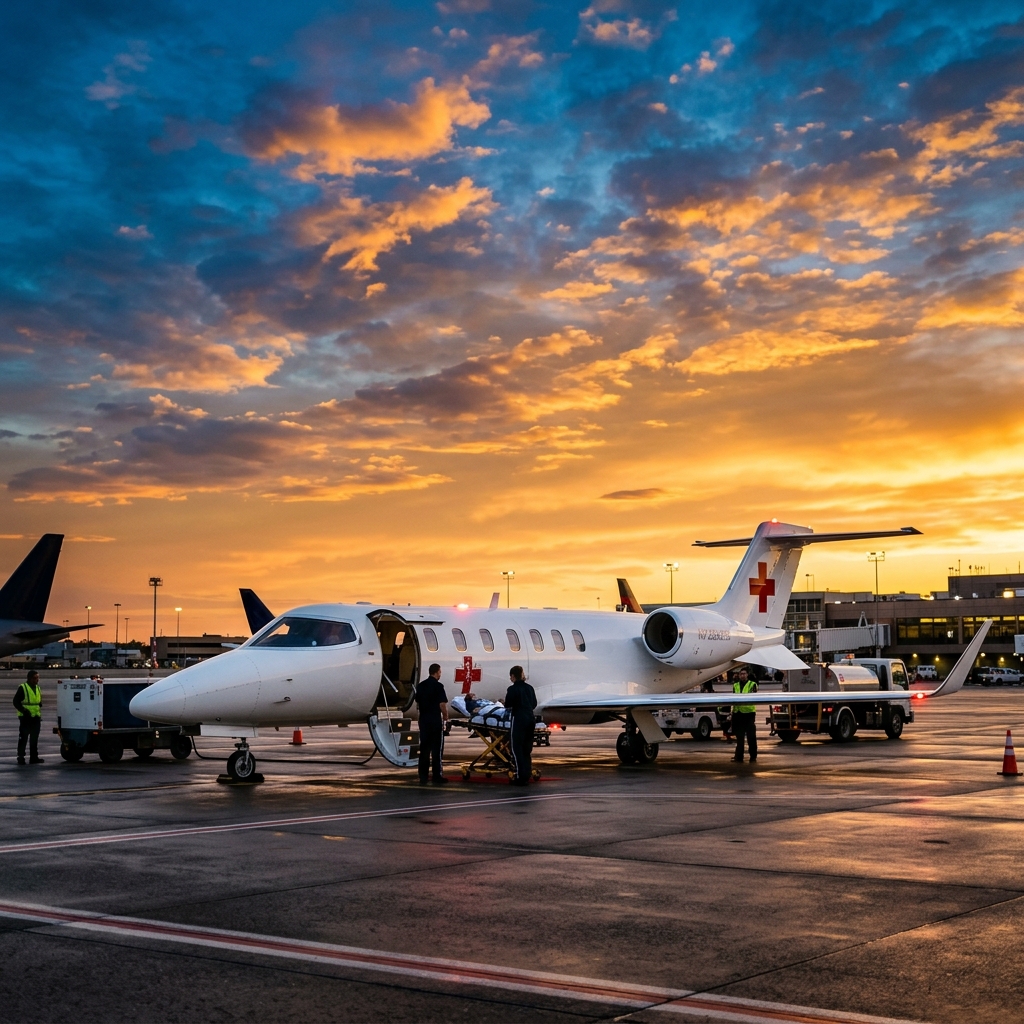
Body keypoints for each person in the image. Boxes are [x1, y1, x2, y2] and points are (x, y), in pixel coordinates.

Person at [414, 663, 448, 784]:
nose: (440, 674)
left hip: (424, 721)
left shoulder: (421, 686)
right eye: (440, 672)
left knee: (424, 750)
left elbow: (417, 701)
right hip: (435, 721)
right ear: (436, 672)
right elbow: (442, 704)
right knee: (436, 750)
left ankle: (423, 776)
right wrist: (446, 717)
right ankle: (436, 776)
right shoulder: (439, 686)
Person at [504, 665, 537, 786]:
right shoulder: (529, 688)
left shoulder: (512, 689)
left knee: (516, 748)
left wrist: (503, 703)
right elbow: (534, 704)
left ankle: (520, 776)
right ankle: (527, 774)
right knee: (527, 749)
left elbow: (508, 704)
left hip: (518, 719)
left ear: (513, 676)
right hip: (530, 719)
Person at [14, 669, 43, 765]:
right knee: (23, 737)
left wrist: (39, 704)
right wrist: (24, 711)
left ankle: (34, 757)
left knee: (34, 738)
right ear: (30, 679)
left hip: (36, 717)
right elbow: (16, 702)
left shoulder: (38, 688)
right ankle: (21, 757)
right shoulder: (23, 687)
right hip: (26, 717)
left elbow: (36, 701)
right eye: (35, 678)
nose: (37, 680)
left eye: (38, 678)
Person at [731, 667, 758, 763]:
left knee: (751, 737)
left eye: (744, 674)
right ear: (739, 675)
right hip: (738, 714)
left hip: (749, 714)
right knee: (740, 738)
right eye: (741, 674)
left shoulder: (752, 684)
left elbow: (754, 696)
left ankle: (753, 756)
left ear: (747, 675)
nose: (742, 675)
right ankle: (739, 757)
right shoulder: (735, 685)